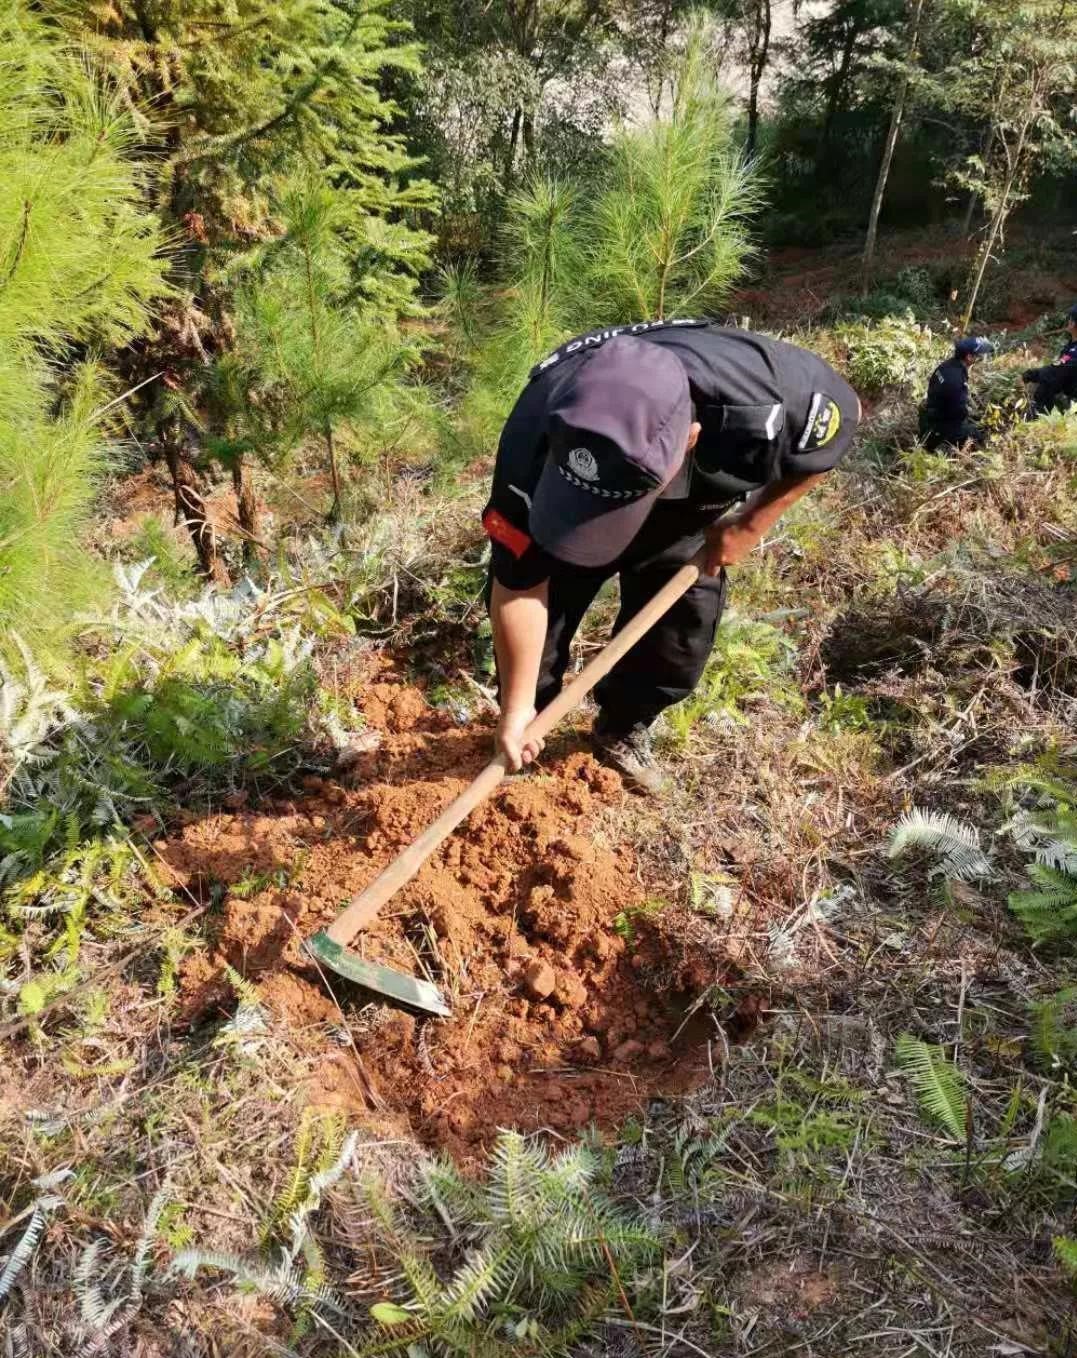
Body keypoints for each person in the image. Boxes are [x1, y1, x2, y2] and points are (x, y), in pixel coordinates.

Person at [481, 319, 861, 790]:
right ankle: (527, 731)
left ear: (691, 437)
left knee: (676, 633)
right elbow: (518, 586)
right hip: (568, 508)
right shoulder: (532, 435)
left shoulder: (775, 396)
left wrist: (750, 524)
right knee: (544, 623)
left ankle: (622, 726)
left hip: (683, 516)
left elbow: (834, 434)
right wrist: (518, 709)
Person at [918, 336, 994, 452]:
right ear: (969, 357)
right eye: (977, 355)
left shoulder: (946, 366)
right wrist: (971, 415)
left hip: (930, 415)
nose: (979, 358)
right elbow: (958, 412)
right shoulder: (956, 380)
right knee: (978, 436)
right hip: (938, 427)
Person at [1023, 304, 1077, 416]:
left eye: (1071, 319)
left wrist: (1032, 374)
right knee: (1045, 385)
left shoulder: (1075, 351)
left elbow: (1057, 371)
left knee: (1047, 383)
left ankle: (1036, 417)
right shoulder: (1071, 345)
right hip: (1067, 390)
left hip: (1073, 401)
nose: (1068, 321)